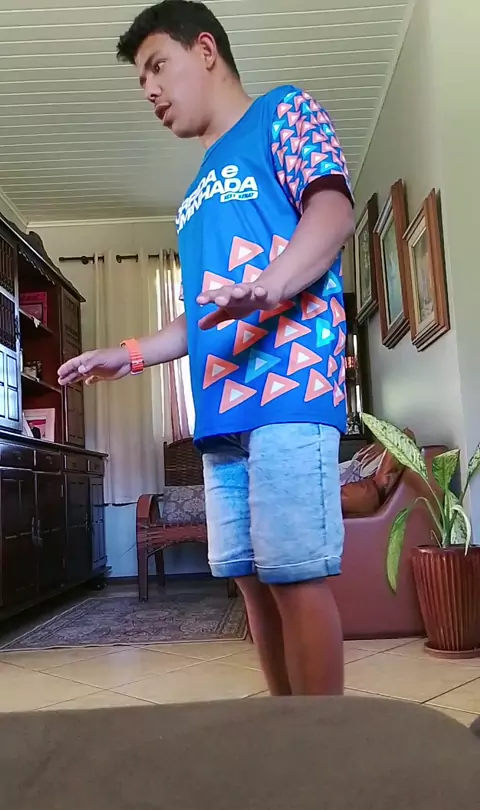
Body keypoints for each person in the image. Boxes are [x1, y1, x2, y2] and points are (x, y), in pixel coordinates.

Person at [58, 0, 355, 696]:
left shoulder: (283, 111)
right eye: (141, 81)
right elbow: (199, 316)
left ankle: (328, 745)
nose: (151, 90)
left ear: (206, 49)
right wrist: (129, 353)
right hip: (221, 411)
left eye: (158, 66)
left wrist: (270, 285)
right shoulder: (194, 194)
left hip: (291, 387)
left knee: (294, 575)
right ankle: (286, 729)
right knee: (249, 581)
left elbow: (333, 209)